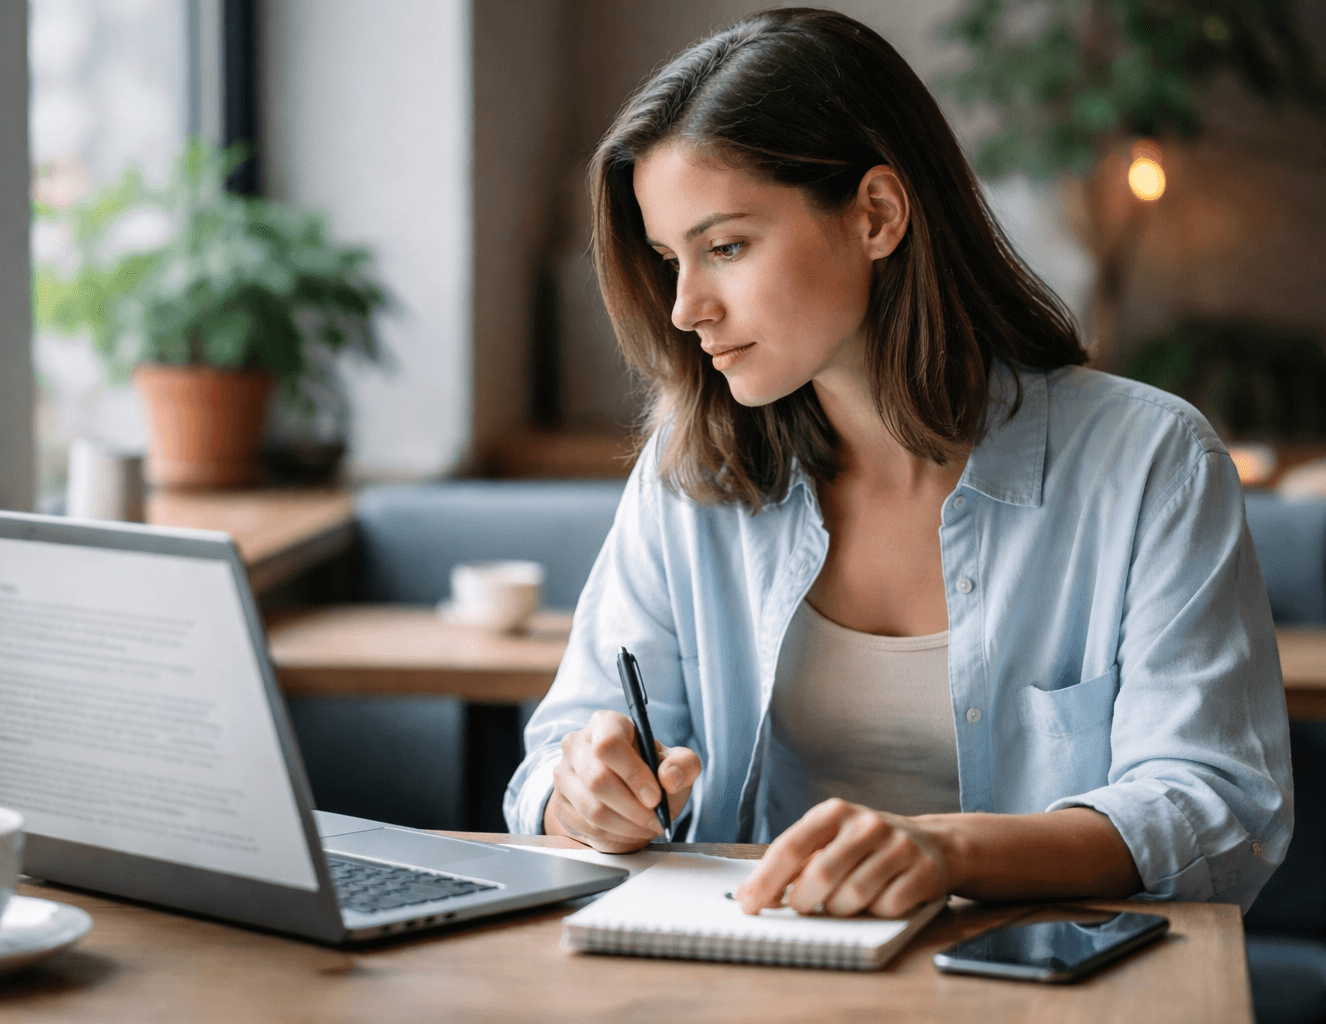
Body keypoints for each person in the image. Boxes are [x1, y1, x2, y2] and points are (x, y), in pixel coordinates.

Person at [503, 7, 1291, 919]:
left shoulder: (1152, 464)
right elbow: (558, 758)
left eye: (725, 247)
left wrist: (947, 852)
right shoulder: (693, 474)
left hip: (1038, 976)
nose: (685, 309)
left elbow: (1215, 805)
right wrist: (583, 796)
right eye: (669, 259)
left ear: (876, 215)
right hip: (743, 963)